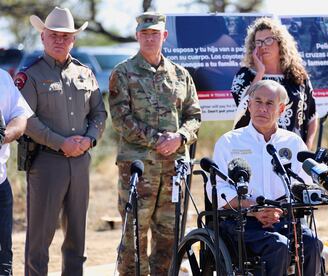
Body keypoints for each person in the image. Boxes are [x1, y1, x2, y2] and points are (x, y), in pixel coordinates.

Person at [15, 7, 107, 276]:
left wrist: (89, 140)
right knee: (40, 238)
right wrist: (59, 142)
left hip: (80, 162)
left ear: (73, 40)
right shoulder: (30, 74)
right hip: (46, 163)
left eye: (65, 36)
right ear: (43, 37)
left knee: (77, 235)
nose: (59, 40)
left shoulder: (85, 73)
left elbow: (99, 113)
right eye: (53, 35)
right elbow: (26, 119)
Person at [109, 12, 201, 276]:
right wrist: (157, 140)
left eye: (155, 34)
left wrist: (180, 137)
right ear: (138, 36)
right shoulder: (123, 73)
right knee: (134, 235)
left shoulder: (180, 75)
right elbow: (120, 119)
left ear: (164, 36)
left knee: (170, 235)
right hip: (138, 168)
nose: (150, 38)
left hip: (173, 169)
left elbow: (194, 115)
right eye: (145, 34)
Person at [208, 80, 322, 276]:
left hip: (284, 218)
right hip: (241, 222)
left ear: (281, 109)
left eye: (269, 103)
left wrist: (281, 210)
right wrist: (254, 209)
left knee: (312, 243)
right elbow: (217, 192)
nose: (262, 108)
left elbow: (304, 185)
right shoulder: (229, 141)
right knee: (278, 246)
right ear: (249, 105)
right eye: (257, 102)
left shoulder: (293, 142)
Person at [231, 17, 318, 149]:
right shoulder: (245, 75)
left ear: (280, 43)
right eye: (259, 42)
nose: (263, 46)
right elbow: (243, 109)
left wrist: (306, 149)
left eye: (268, 40)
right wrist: (260, 71)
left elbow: (312, 116)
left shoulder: (298, 76)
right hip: (254, 150)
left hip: (293, 152)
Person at [0, 68, 33, 276]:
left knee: (4, 262)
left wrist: (4, 135)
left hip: (0, 183)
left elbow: (20, 117)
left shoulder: (2, 77)